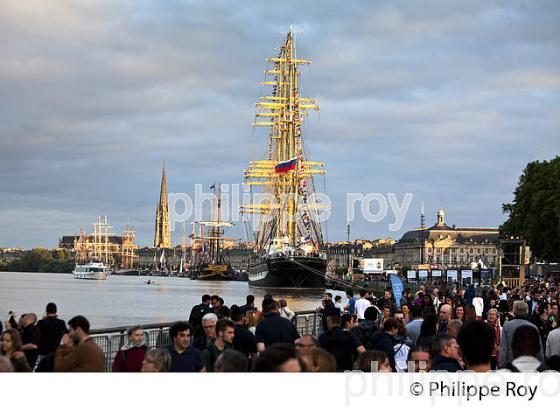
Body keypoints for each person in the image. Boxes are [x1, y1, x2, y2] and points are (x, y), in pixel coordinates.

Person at [499, 300, 544, 368]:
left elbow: (503, 349)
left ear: (514, 310)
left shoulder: (507, 326)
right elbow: (539, 350)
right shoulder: (533, 327)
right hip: (530, 366)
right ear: (527, 311)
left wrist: (502, 365)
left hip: (511, 365)